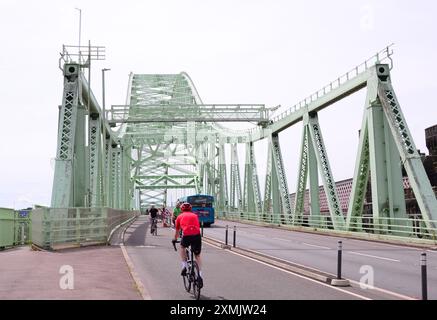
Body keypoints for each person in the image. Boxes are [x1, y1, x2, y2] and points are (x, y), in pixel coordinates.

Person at [173, 202, 203, 288]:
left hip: (186, 236)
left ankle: (184, 266)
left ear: (181, 209)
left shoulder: (179, 217)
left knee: (182, 247)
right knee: (197, 256)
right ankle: (200, 276)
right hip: (197, 236)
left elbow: (177, 231)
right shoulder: (195, 215)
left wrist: (174, 239)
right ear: (190, 209)